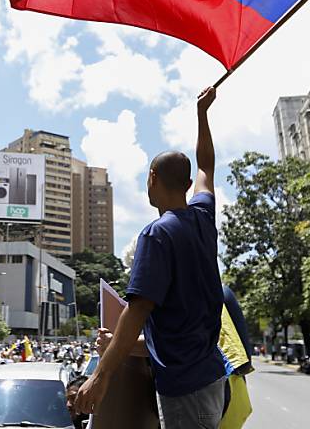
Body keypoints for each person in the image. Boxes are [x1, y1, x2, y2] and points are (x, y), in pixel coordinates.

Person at [75, 87, 224, 429]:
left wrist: (100, 376)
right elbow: (207, 165)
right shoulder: (203, 215)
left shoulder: (157, 234)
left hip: (188, 390)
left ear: (152, 179)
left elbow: (136, 312)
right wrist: (203, 115)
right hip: (209, 379)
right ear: (187, 184)